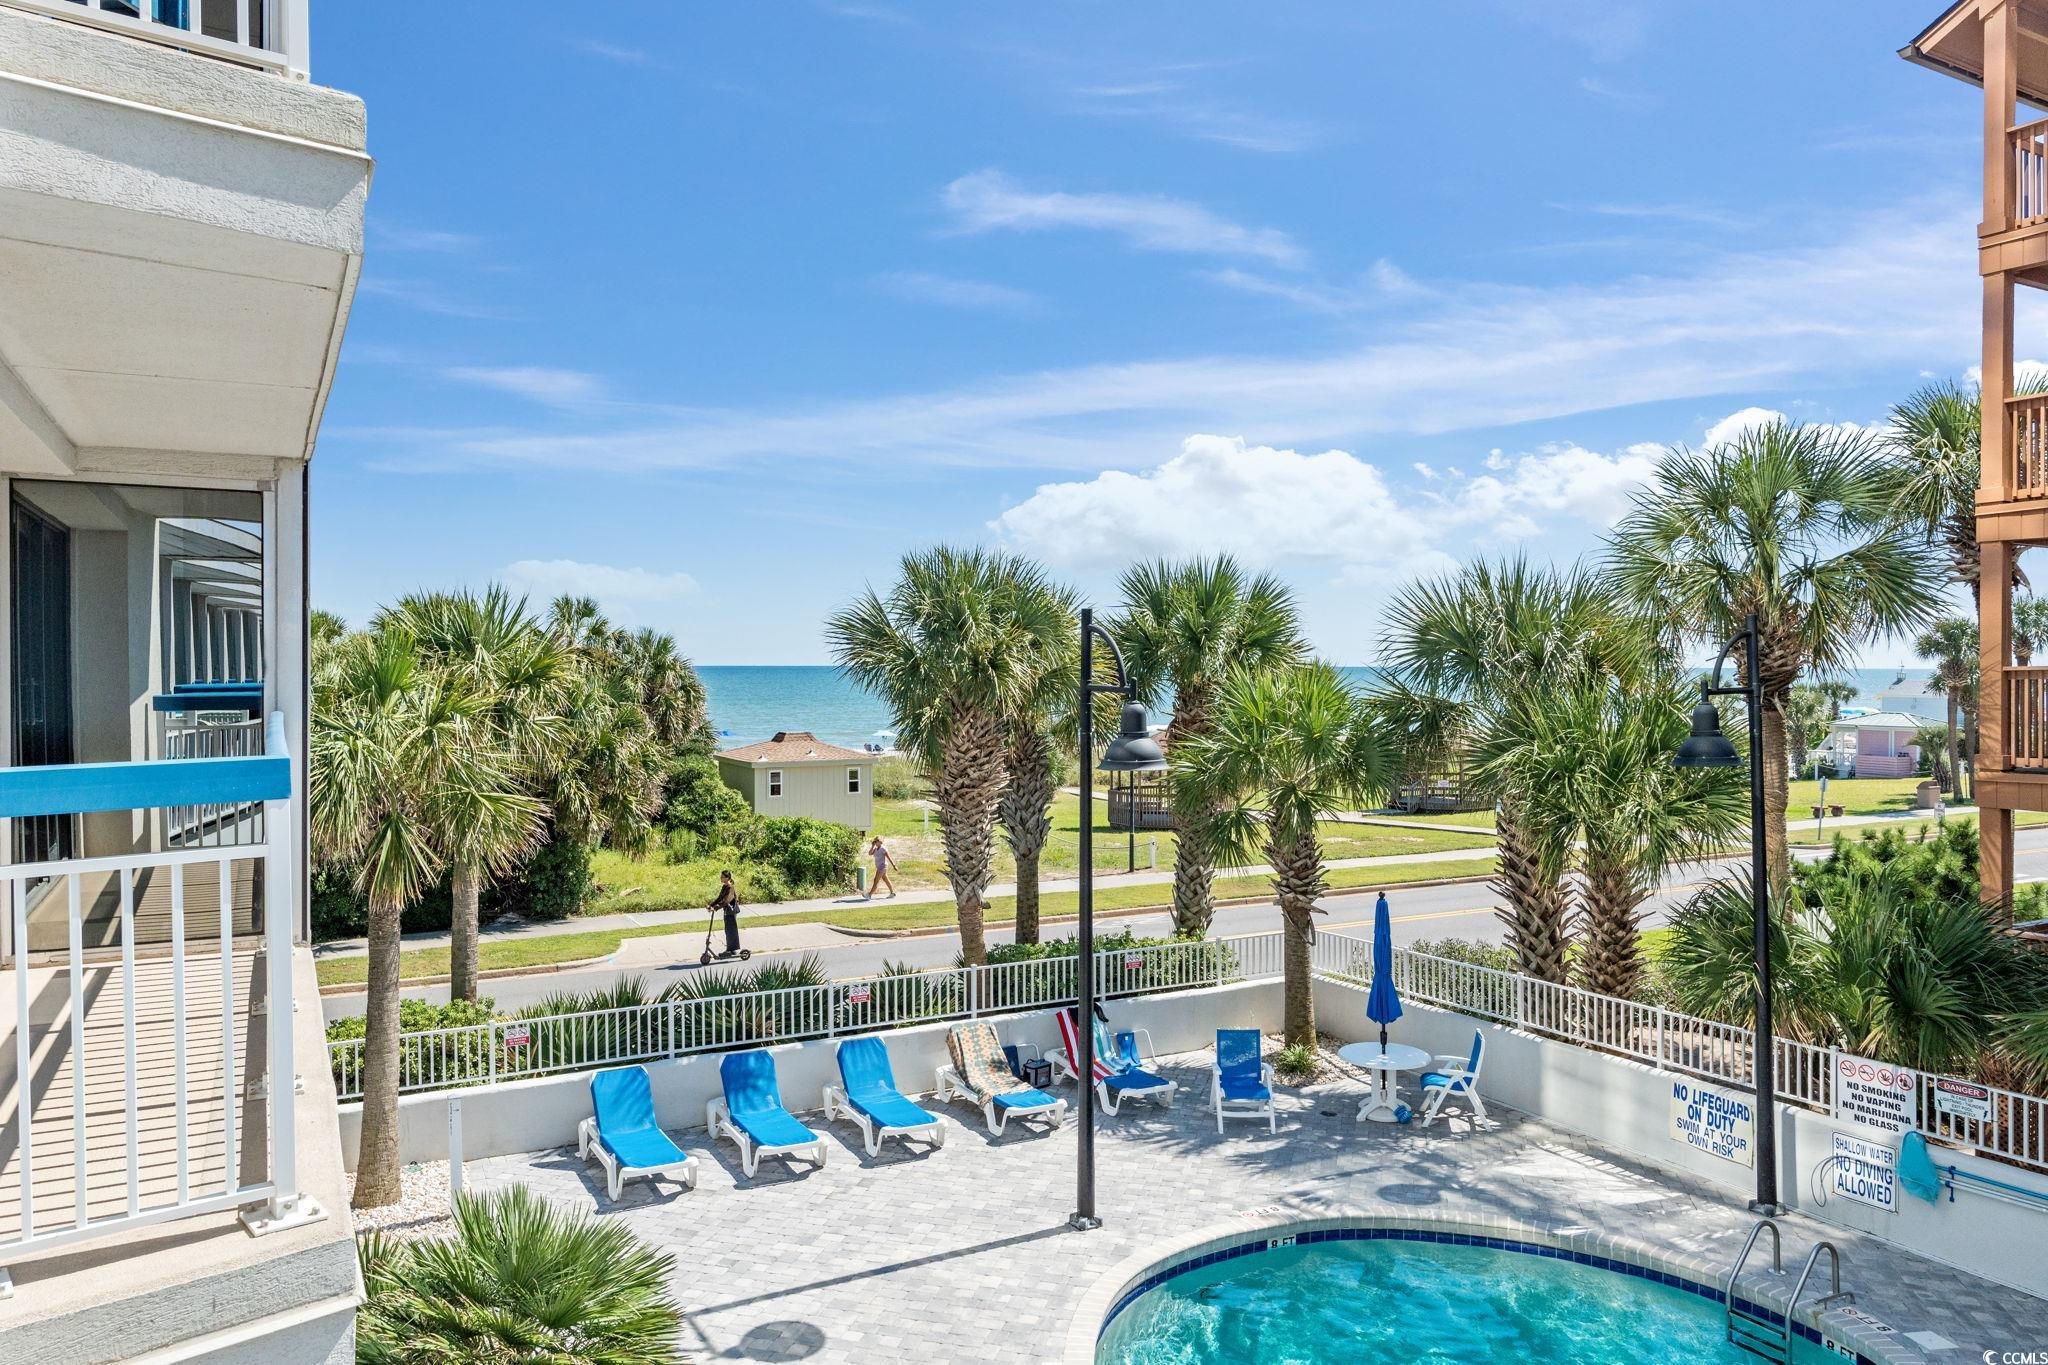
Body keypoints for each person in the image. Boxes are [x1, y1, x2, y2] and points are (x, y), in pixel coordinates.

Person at [711, 870, 741, 954]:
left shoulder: (730, 887)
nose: (720, 878)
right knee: (728, 930)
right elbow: (720, 898)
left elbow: (726, 901)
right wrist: (711, 905)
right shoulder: (725, 886)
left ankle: (731, 950)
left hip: (731, 912)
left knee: (731, 930)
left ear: (727, 878)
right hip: (727, 911)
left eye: (722, 877)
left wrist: (715, 908)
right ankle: (731, 950)